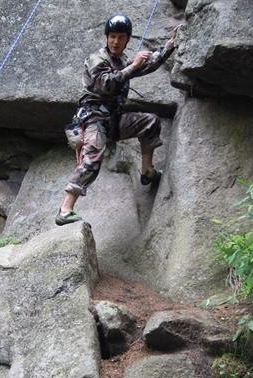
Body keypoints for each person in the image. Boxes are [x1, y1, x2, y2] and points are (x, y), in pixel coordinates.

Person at [55, 13, 180, 225]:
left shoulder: (121, 60)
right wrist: (133, 66)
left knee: (150, 122)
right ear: (107, 37)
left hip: (113, 120)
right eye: (112, 36)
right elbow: (107, 83)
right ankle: (65, 209)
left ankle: (147, 171)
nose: (115, 41)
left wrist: (169, 46)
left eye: (121, 37)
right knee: (91, 160)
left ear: (127, 39)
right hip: (93, 119)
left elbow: (147, 66)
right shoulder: (97, 59)